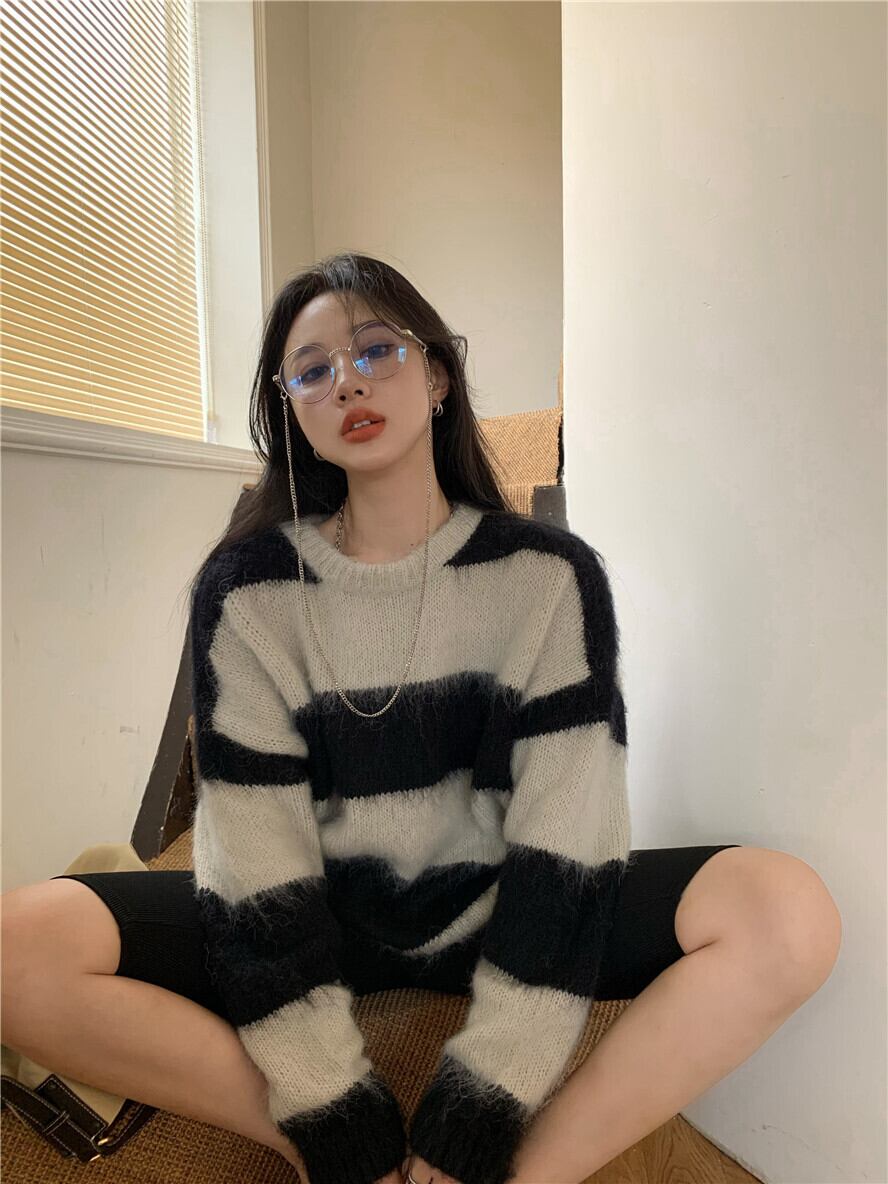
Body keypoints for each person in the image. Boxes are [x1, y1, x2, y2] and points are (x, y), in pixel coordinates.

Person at [1, 252, 840, 1184]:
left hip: (499, 903)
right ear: (292, 411)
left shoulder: (549, 578)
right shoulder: (246, 591)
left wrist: (480, 1113)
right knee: (17, 947)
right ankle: (305, 1145)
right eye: (312, 370)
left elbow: (568, 839)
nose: (348, 382)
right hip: (322, 913)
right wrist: (330, 1116)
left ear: (438, 375)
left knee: (785, 911)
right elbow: (255, 861)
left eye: (376, 351)